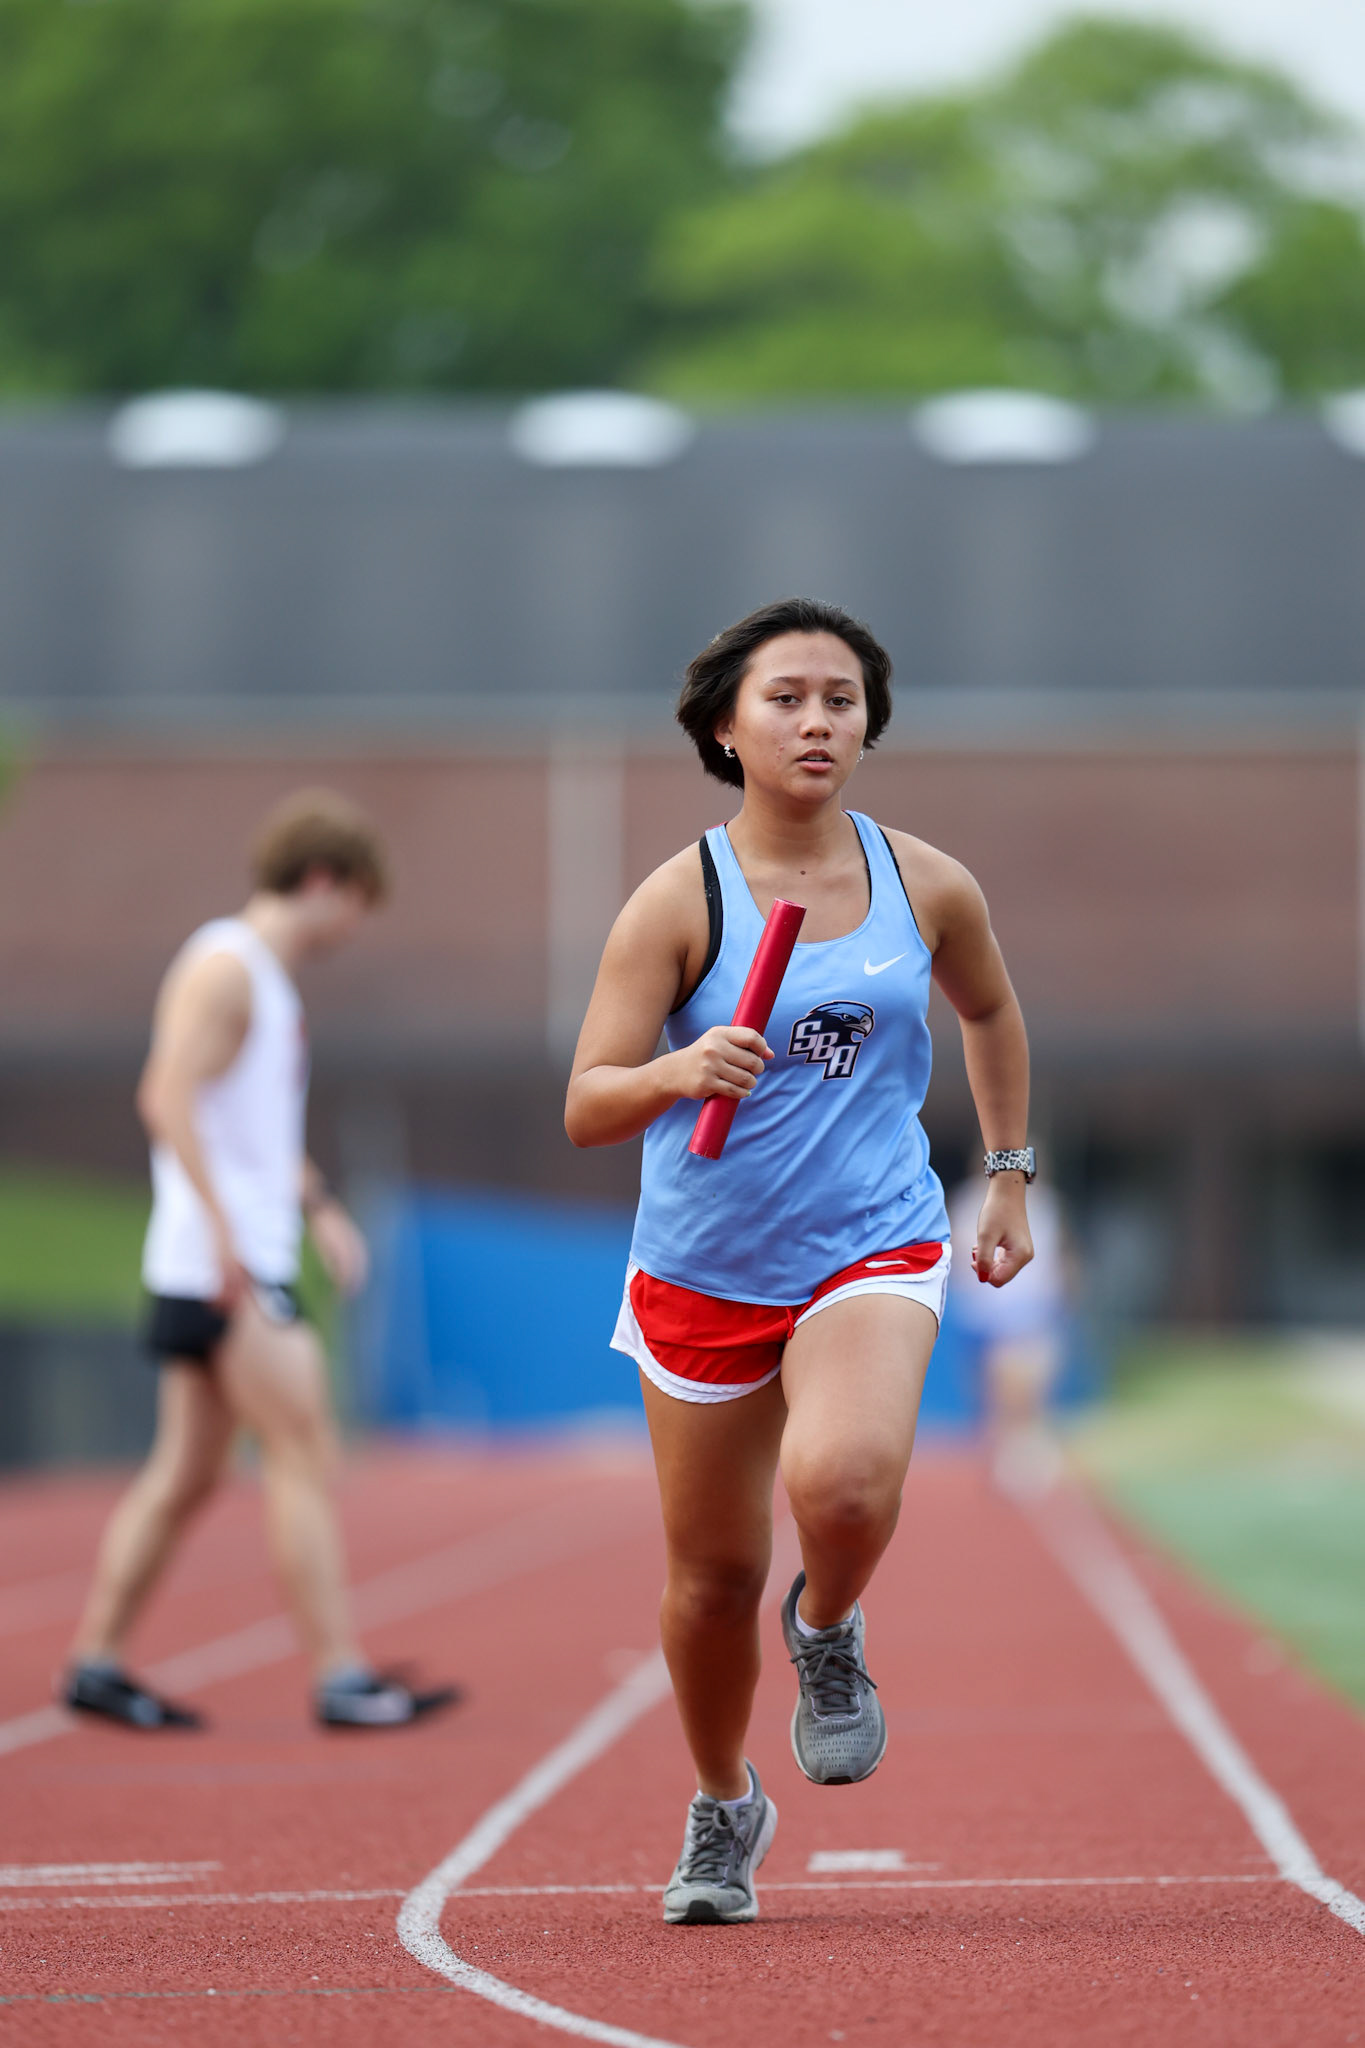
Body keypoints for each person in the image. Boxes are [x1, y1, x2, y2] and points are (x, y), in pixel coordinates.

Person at [566, 596, 1035, 1926]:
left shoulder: (925, 884)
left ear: (869, 722)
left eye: (840, 697)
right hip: (703, 1269)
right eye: (786, 697)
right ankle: (724, 1800)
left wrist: (1005, 1172)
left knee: (840, 1482)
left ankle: (827, 1625)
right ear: (726, 726)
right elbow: (587, 1103)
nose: (816, 719)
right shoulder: (678, 900)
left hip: (869, 1241)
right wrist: (675, 1065)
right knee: (710, 1586)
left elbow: (991, 1009)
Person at [63, 790, 457, 1732]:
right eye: (358, 901)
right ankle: (340, 1675)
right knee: (304, 1453)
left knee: (189, 1474)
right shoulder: (228, 968)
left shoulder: (264, 983)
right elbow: (167, 1099)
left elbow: (251, 1129)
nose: (356, 926)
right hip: (226, 1264)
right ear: (322, 881)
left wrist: (319, 1208)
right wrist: (231, 1236)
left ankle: (95, 1662)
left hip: (223, 1252)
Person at [947, 1172, 1073, 1498]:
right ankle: (1000, 1449)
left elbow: (1056, 1252)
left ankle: (1026, 1446)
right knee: (993, 1389)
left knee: (1029, 1381)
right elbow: (961, 1251)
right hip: (986, 1306)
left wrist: (1059, 1292)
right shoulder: (970, 1201)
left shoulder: (1045, 1203)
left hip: (1030, 1306)